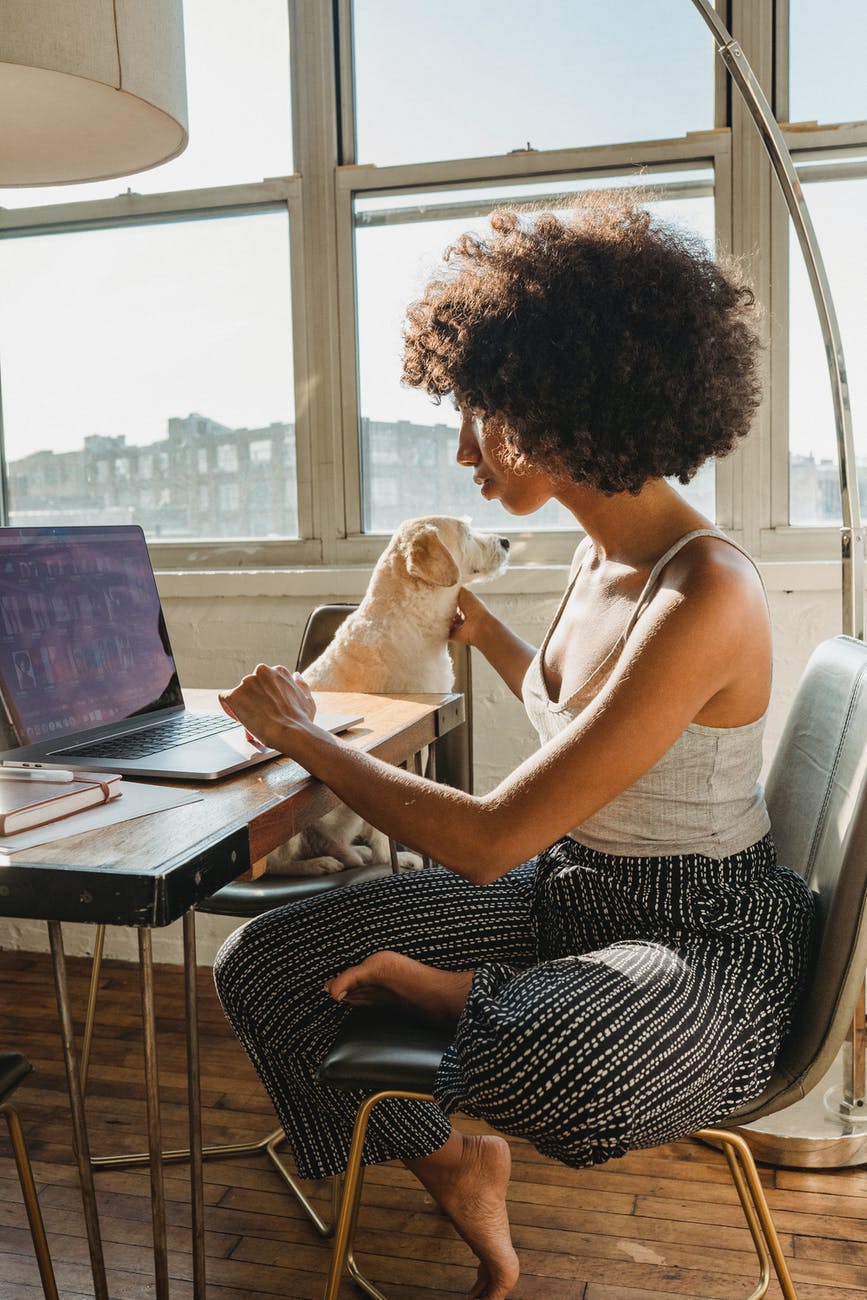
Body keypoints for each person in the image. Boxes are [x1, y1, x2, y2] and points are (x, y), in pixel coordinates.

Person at [213, 194, 814, 1300]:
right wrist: (487, 635)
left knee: (560, 1054)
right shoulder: (597, 559)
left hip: (699, 934)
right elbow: (586, 714)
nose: (463, 450)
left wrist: (300, 734)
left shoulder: (706, 590)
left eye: (480, 416)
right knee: (261, 965)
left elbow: (490, 841)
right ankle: (458, 1164)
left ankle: (459, 996)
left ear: (562, 404)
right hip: (568, 896)